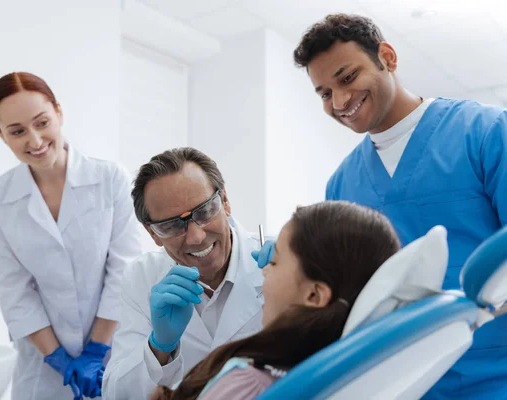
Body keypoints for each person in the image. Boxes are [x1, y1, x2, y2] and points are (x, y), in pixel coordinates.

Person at [292, 13, 507, 399]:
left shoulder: (486, 132)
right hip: (401, 385)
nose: (340, 101)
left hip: (495, 376)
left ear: (387, 57)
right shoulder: (340, 185)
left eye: (347, 77)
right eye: (324, 93)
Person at [0, 72, 143, 400]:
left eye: (42, 122)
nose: (35, 140)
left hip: (113, 350)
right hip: (41, 364)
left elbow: (123, 270)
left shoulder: (109, 178)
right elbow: (13, 288)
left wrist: (96, 350)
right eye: (17, 131)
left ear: (59, 112)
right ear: (1, 135)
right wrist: (57, 358)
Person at [149, 201, 401, 400]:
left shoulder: (247, 385)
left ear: (314, 295)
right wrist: (161, 346)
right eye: (170, 225)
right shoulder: (347, 376)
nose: (265, 269)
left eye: (276, 260)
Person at [102, 147, 265, 399]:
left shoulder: (279, 262)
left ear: (225, 202)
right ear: (153, 234)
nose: (196, 236)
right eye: (171, 225)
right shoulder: (141, 278)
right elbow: (116, 394)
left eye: (204, 211)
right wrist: (159, 347)